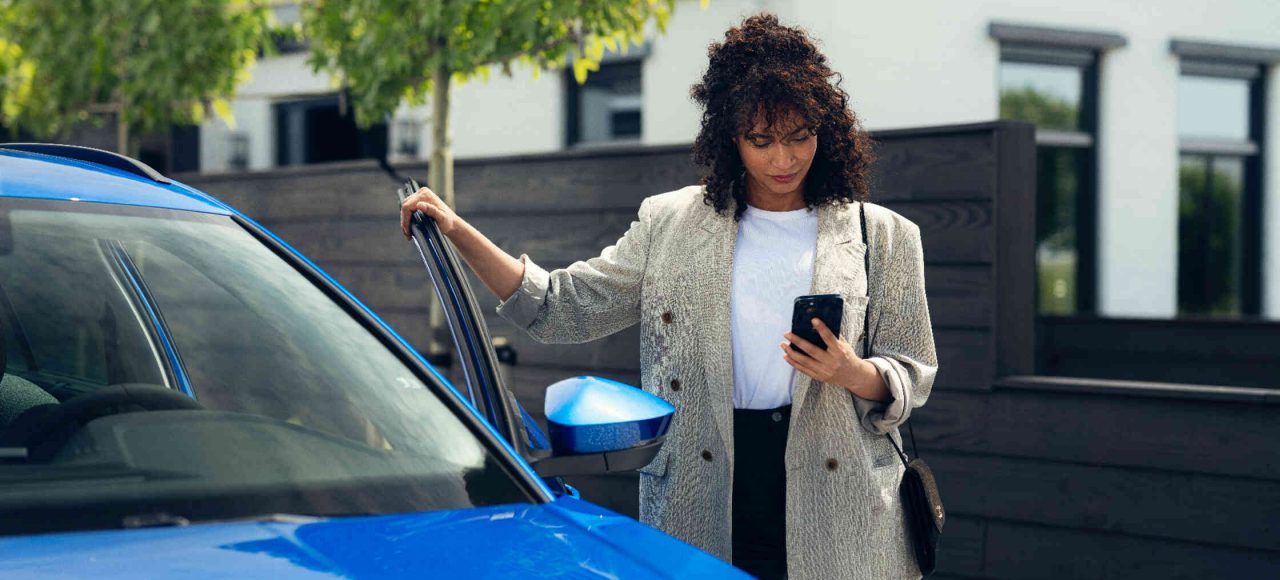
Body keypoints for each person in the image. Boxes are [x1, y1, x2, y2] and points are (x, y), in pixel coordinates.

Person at [399, 13, 937, 580]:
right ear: (730, 136)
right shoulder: (671, 223)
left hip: (841, 505)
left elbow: (913, 370)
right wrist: (456, 232)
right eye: (762, 140)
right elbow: (561, 305)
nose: (784, 159)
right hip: (701, 492)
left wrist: (851, 372)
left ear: (825, 129)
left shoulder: (883, 235)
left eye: (800, 136)